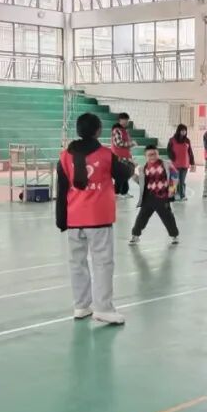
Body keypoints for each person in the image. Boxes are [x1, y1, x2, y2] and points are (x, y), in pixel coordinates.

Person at [56, 113, 134, 325]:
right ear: (98, 131)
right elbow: (124, 174)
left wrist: (61, 219)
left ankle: (81, 306)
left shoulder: (65, 156)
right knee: (102, 263)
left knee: (77, 263)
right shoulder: (106, 155)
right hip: (98, 218)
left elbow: (61, 190)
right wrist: (130, 165)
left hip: (74, 218)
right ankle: (103, 308)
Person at [129, 145, 180, 246]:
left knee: (168, 217)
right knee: (141, 217)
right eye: (150, 155)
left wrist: (172, 189)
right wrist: (132, 174)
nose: (152, 156)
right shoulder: (143, 168)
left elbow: (175, 175)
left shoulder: (166, 164)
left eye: (155, 154)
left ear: (158, 154)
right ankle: (135, 235)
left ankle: (174, 235)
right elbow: (141, 182)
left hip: (162, 197)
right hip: (148, 197)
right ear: (145, 156)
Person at [166, 124, 195, 201]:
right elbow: (168, 150)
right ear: (178, 131)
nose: (184, 132)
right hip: (175, 164)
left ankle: (182, 195)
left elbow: (190, 152)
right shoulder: (172, 140)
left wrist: (192, 163)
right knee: (173, 180)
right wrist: (172, 157)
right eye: (182, 130)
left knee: (182, 181)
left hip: (185, 164)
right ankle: (171, 195)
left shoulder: (187, 140)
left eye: (185, 130)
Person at [110, 113, 135, 199]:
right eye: (124, 120)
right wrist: (131, 144)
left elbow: (125, 143)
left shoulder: (124, 130)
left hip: (125, 156)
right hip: (118, 156)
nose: (126, 122)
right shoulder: (117, 130)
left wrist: (130, 146)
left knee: (125, 174)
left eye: (127, 120)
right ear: (119, 120)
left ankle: (123, 192)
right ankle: (117, 192)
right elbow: (119, 143)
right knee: (120, 175)